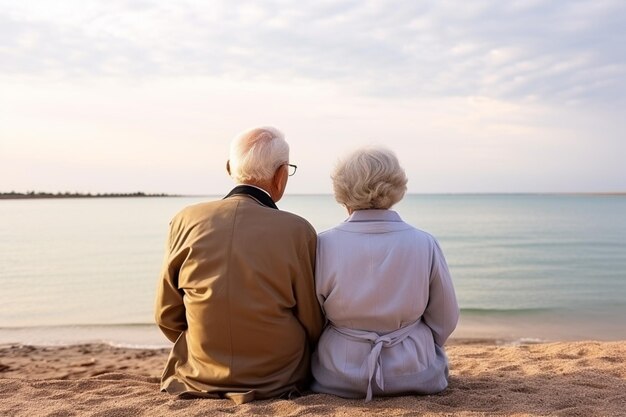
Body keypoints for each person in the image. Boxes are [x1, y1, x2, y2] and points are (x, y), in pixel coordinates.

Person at [154, 126, 324, 404]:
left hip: (198, 375)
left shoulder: (185, 220)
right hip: (279, 379)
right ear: (281, 176)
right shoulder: (298, 230)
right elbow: (312, 321)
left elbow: (166, 315)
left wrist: (205, 346)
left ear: (229, 168)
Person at [311, 146, 459, 402]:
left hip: (336, 374)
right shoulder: (424, 242)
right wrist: (418, 344)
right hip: (417, 372)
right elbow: (445, 318)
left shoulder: (322, 244)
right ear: (396, 186)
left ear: (342, 190)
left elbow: (313, 318)